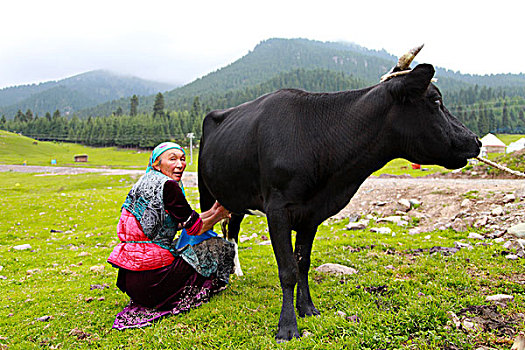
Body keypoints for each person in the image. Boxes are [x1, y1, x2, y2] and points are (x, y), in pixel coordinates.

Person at [107, 142, 235, 330]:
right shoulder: (168, 187)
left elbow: (184, 222)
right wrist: (220, 214)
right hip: (153, 281)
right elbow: (195, 229)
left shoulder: (145, 181)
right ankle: (201, 289)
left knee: (182, 244)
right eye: (172, 159)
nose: (180, 164)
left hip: (132, 281)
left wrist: (214, 210)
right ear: (157, 163)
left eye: (182, 159)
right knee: (217, 247)